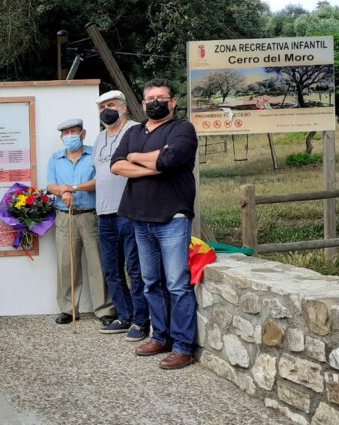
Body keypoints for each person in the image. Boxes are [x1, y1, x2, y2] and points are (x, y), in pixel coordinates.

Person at [111, 79, 199, 370]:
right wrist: (154, 162)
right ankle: (160, 336)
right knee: (150, 283)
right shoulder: (133, 131)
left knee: (177, 284)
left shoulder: (182, 129)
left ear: (173, 102)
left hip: (172, 217)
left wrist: (137, 159)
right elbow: (116, 165)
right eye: (150, 98)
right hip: (139, 218)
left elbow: (171, 159)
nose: (155, 102)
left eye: (161, 97)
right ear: (143, 103)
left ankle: (184, 346)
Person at [46, 119, 114, 326]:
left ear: (82, 134)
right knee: (66, 263)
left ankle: (104, 310)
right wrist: (63, 191)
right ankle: (68, 308)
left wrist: (73, 188)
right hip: (65, 216)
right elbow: (51, 185)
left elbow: (99, 182)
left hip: (90, 215)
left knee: (97, 263)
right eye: (65, 133)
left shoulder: (94, 154)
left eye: (73, 132)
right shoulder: (55, 158)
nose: (69, 136)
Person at [93, 90, 149, 341]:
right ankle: (123, 316)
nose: (107, 109)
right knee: (111, 269)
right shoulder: (99, 138)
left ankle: (140, 320)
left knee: (135, 269)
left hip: (129, 210)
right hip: (104, 212)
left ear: (124, 107)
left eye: (111, 104)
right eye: (103, 106)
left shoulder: (136, 131)